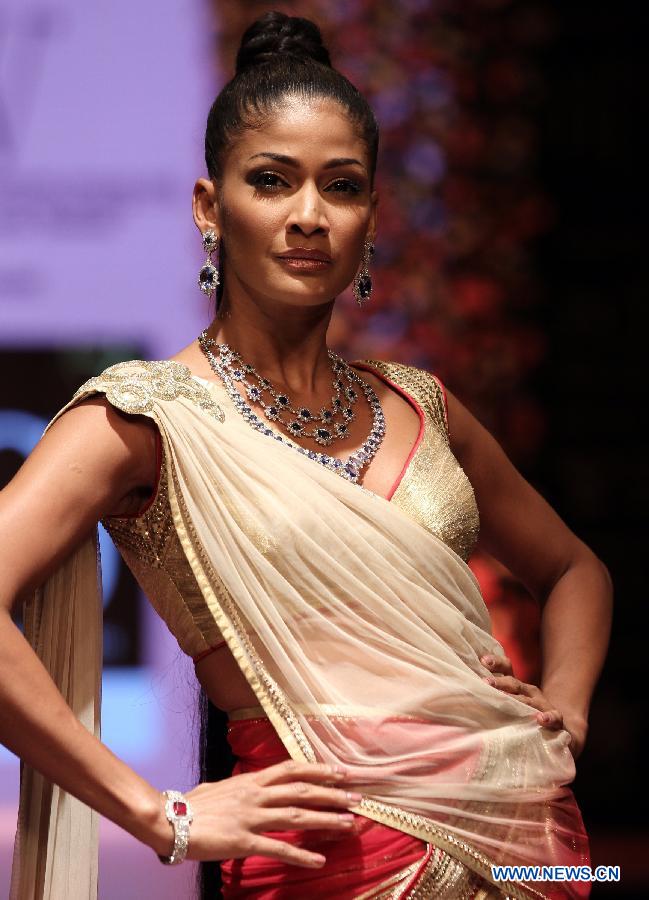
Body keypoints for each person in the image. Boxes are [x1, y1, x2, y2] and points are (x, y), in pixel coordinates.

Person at [0, 11, 612, 900]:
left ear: (371, 215)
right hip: (328, 869)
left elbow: (573, 570)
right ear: (211, 208)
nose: (307, 217)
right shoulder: (147, 418)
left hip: (536, 848)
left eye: (342, 187)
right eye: (272, 181)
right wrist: (158, 813)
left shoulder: (422, 405)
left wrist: (567, 711)